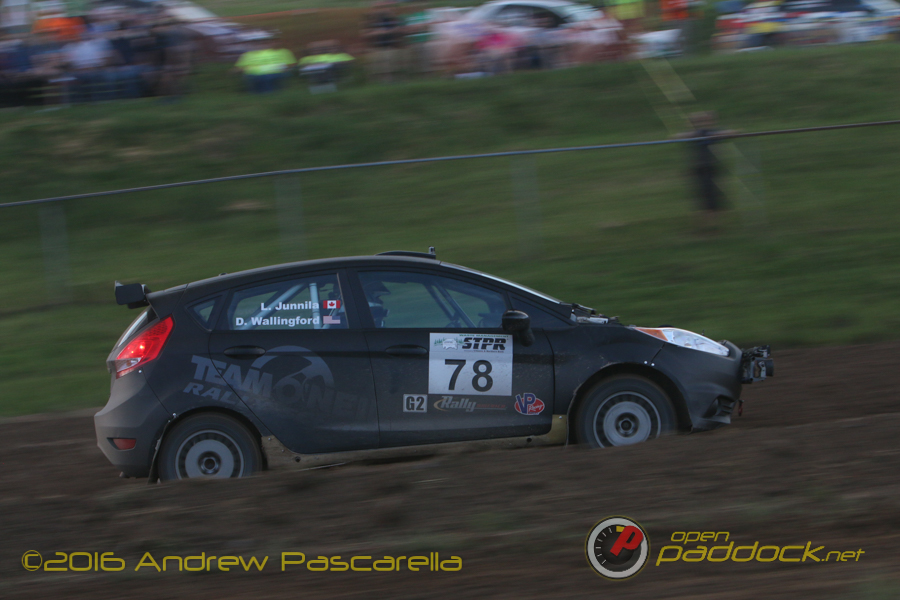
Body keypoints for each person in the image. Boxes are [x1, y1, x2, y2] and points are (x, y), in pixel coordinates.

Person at [677, 111, 736, 229]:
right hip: (700, 168)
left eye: (707, 120)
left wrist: (717, 134)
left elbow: (733, 132)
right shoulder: (694, 135)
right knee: (704, 196)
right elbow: (677, 136)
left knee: (714, 195)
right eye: (700, 121)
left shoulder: (713, 133)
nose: (704, 123)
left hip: (712, 168)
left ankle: (712, 224)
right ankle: (707, 225)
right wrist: (694, 134)